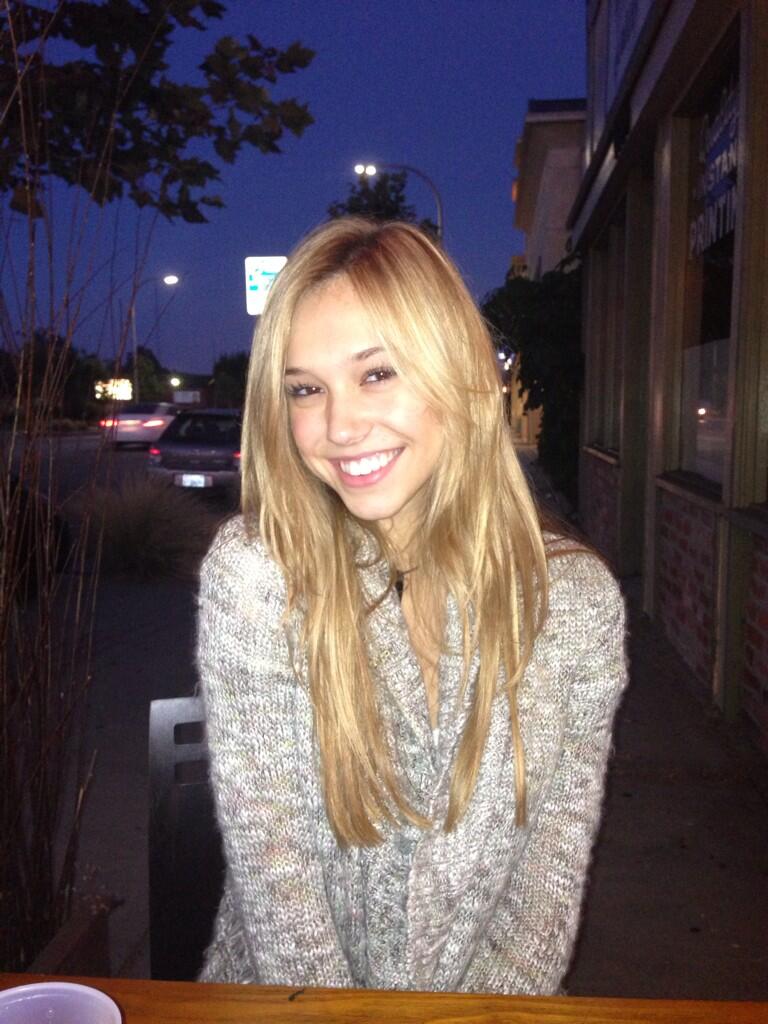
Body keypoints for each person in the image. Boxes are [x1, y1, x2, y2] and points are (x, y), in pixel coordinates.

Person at [196, 217, 628, 994]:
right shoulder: (261, 576)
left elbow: (549, 879)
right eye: (306, 389)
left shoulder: (573, 604)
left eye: (377, 373)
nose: (339, 426)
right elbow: (280, 891)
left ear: (457, 374)